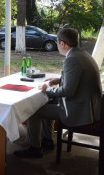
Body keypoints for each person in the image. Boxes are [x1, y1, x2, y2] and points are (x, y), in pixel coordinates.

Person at [14, 28, 102, 158]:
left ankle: (34, 148)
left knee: (34, 111)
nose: (56, 44)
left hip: (79, 110)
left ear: (63, 44)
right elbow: (79, 77)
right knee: (51, 101)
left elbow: (68, 91)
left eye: (57, 41)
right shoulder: (82, 54)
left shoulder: (72, 59)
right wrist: (58, 80)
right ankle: (47, 140)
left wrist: (46, 89)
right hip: (90, 106)